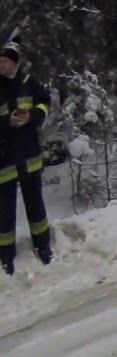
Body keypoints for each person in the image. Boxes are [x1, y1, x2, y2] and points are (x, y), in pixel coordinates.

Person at [0, 39, 53, 276]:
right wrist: (6, 122)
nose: (2, 64)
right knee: (4, 212)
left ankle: (43, 246)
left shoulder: (28, 82)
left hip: (29, 154)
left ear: (16, 63)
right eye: (0, 60)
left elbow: (45, 103)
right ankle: (6, 257)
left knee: (36, 205)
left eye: (6, 60)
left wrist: (31, 116)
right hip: (4, 159)